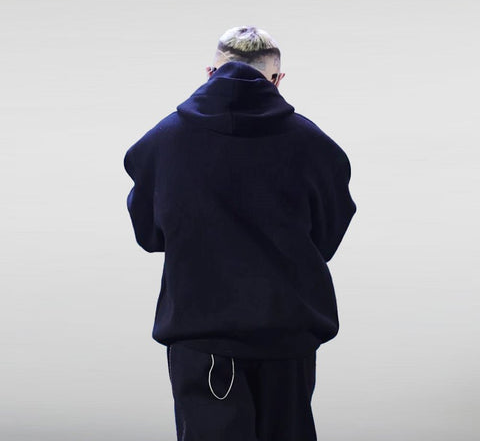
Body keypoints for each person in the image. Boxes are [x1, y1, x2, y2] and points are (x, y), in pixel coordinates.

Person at [123, 25, 357, 441]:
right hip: (288, 336)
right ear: (277, 79)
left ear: (209, 73)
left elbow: (150, 235)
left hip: (204, 336)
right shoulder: (313, 144)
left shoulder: (165, 141)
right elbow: (326, 237)